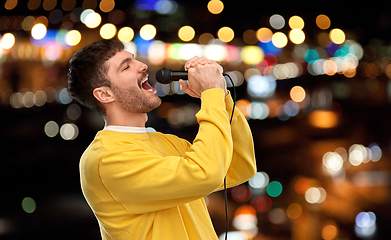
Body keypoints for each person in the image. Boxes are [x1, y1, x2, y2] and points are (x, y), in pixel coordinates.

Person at [67, 39, 257, 240]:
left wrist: (222, 97)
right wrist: (211, 93)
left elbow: (239, 166)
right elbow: (205, 173)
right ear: (104, 94)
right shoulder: (105, 159)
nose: (143, 66)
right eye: (126, 67)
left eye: (135, 60)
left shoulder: (165, 142)